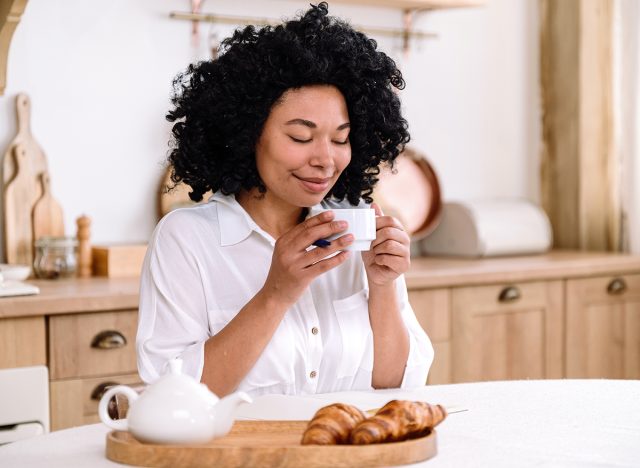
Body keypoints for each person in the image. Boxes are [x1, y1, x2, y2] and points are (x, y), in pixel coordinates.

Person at [136, 2, 433, 398]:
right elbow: (169, 396)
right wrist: (276, 294)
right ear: (247, 132)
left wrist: (382, 286)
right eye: (300, 137)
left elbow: (396, 388)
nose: (325, 159)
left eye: (341, 138)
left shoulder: (357, 230)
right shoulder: (186, 239)